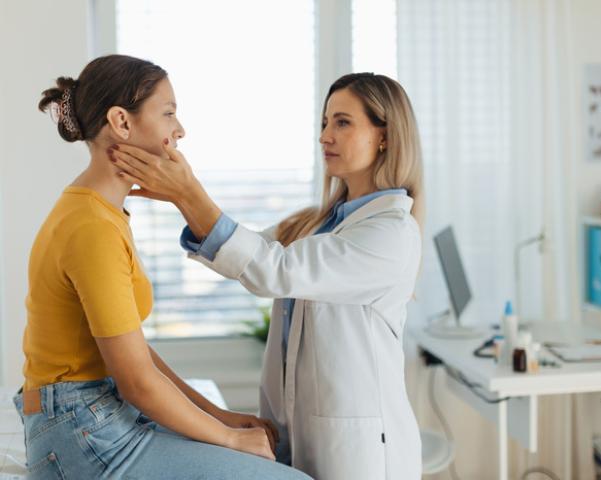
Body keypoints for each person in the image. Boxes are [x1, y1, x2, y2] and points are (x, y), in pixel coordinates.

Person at [111, 72, 425, 480]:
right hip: (297, 431)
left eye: (342, 122)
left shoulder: (391, 233)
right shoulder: (319, 223)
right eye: (324, 123)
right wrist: (181, 198)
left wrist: (188, 192)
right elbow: (251, 252)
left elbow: (273, 270)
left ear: (385, 135)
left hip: (362, 452)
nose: (325, 136)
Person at [14, 54, 311, 480]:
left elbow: (133, 357)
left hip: (96, 421)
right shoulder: (91, 226)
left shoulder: (100, 212)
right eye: (168, 113)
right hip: (82, 437)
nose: (180, 130)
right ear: (122, 122)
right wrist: (227, 438)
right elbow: (136, 381)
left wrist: (219, 417)